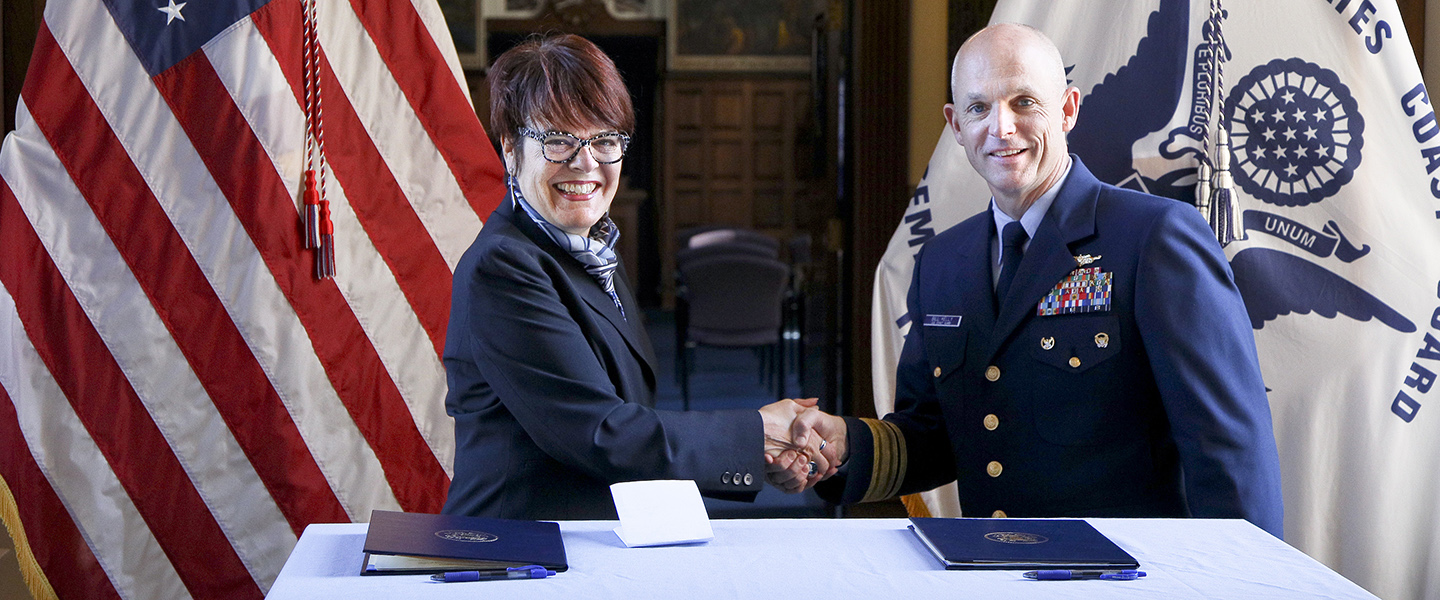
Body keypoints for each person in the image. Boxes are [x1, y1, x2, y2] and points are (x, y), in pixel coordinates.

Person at [777, 23, 1285, 538]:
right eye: (978, 108)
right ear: (955, 125)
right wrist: (841, 442)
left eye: (1024, 102)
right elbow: (934, 435)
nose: (1001, 127)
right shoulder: (943, 262)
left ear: (1067, 110)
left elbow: (1229, 452)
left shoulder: (1154, 238)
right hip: (989, 570)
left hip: (1126, 580)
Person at [442, 34, 824, 520]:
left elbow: (632, 421)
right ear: (511, 149)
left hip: (593, 540)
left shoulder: (595, 249)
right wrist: (756, 433)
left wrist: (761, 457)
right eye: (558, 140)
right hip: (517, 555)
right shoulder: (505, 266)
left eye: (604, 140)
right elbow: (601, 434)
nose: (587, 163)